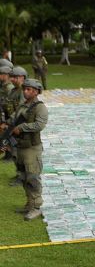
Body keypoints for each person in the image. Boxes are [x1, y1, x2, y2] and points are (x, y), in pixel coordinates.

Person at [0, 79, 48, 220]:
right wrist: (6, 125)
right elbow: (13, 119)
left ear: (36, 91)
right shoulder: (23, 105)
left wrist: (21, 128)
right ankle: (29, 204)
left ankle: (36, 207)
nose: (26, 91)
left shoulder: (40, 107)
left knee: (32, 177)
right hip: (20, 146)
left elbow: (39, 125)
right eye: (25, 89)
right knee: (23, 176)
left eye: (29, 89)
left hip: (32, 148)